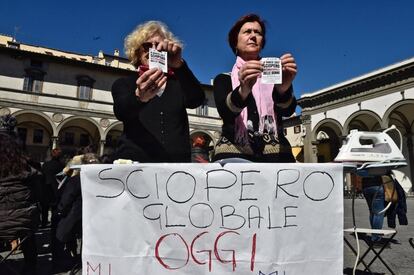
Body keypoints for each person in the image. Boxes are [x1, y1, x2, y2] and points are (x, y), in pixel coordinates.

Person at [111, 21, 205, 163]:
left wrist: (179, 65)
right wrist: (139, 97)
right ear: (137, 51)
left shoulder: (178, 82)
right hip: (135, 164)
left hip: (175, 167)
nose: (154, 50)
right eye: (147, 46)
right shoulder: (124, 83)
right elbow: (121, 112)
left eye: (160, 47)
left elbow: (197, 100)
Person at [212, 14, 297, 162]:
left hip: (276, 157)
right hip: (234, 156)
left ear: (262, 41)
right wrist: (243, 89)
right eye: (247, 32)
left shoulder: (275, 75)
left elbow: (288, 111)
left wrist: (283, 89)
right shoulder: (223, 78)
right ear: (235, 42)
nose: (253, 36)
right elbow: (226, 112)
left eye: (258, 33)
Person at [0, 114, 39, 274]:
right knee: (29, 237)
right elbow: (37, 195)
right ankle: (30, 269)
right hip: (24, 222)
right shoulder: (28, 169)